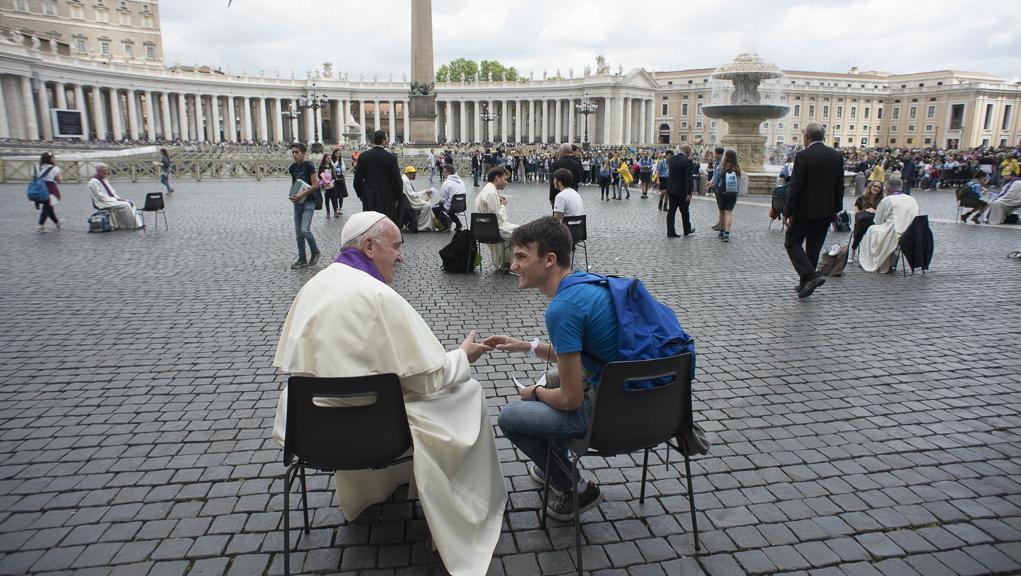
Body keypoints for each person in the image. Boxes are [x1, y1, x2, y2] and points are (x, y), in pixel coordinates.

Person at [272, 212, 506, 576]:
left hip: (314, 434)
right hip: (381, 434)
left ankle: (375, 488)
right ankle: (469, 507)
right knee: (469, 392)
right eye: (396, 247)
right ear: (369, 246)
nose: (402, 256)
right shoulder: (378, 294)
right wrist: (464, 355)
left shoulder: (312, 287)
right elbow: (430, 379)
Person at [486, 217, 617, 521]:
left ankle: (576, 487)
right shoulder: (591, 284)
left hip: (612, 418)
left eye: (521, 256)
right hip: (652, 404)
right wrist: (526, 346)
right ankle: (553, 465)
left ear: (549, 260)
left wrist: (536, 392)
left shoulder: (562, 308)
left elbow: (571, 401)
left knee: (511, 416)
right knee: (554, 379)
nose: (513, 265)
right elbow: (580, 356)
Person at [783, 123, 844, 298]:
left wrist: (787, 211)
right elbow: (839, 186)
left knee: (792, 242)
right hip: (826, 211)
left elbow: (796, 186)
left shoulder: (803, 156)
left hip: (805, 210)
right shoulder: (836, 156)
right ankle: (805, 283)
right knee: (814, 247)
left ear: (807, 137)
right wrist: (836, 210)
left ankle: (810, 276)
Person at [858, 178, 920, 272]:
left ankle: (871, 260)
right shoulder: (912, 199)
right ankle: (891, 262)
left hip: (893, 232)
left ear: (888, 188)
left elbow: (878, 221)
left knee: (872, 229)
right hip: (911, 233)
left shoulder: (887, 200)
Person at [473, 167, 518, 271]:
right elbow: (496, 218)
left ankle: (506, 262)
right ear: (497, 178)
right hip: (490, 230)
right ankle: (514, 266)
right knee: (521, 232)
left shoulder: (486, 190)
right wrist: (502, 205)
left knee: (518, 229)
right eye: (505, 179)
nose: (506, 182)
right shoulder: (491, 193)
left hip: (481, 228)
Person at [353, 130, 402, 222]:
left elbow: (357, 180)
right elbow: (398, 181)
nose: (387, 141)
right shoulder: (391, 157)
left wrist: (362, 195)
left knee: (370, 224)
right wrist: (395, 198)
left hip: (369, 196)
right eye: (386, 139)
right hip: (387, 197)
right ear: (383, 141)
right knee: (385, 224)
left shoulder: (363, 156)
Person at [287, 143, 321, 269]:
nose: (294, 155)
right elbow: (294, 184)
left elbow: (315, 185)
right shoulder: (292, 167)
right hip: (298, 202)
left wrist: (302, 195)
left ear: (303, 153)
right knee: (298, 233)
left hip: (309, 201)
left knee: (304, 230)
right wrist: (292, 195)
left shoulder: (309, 166)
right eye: (293, 152)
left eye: (297, 152)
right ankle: (302, 258)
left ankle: (315, 251)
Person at [88, 163, 143, 230]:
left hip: (110, 199)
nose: (106, 172)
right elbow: (101, 196)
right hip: (103, 202)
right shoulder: (93, 182)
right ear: (98, 171)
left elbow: (112, 192)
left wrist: (119, 198)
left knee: (131, 202)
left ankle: (136, 224)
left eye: (106, 170)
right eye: (103, 171)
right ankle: (130, 225)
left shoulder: (104, 179)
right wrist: (117, 200)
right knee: (125, 205)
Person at [711, 149, 741, 242]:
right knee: (729, 212)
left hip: (722, 192)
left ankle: (722, 231)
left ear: (726, 156)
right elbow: (739, 182)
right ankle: (727, 234)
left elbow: (716, 180)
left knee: (722, 211)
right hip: (732, 193)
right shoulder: (737, 168)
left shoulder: (721, 167)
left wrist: (714, 188)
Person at [666, 146, 696, 238]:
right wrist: (689, 193)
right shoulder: (687, 161)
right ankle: (687, 230)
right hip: (682, 192)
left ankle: (670, 232)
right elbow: (688, 179)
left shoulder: (672, 159)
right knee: (685, 212)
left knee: (671, 211)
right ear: (688, 151)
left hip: (671, 189)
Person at [398, 165, 434, 232]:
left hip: (409, 200)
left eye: (414, 173)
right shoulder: (405, 181)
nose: (415, 175)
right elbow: (412, 195)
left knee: (427, 203)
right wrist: (425, 191)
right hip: (409, 202)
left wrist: (423, 197)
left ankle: (424, 224)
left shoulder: (406, 180)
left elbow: (412, 194)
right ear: (408, 174)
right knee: (427, 205)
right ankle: (421, 226)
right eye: (413, 173)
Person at [33, 152, 61, 233]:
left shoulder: (36, 167)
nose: (55, 159)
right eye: (53, 158)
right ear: (50, 159)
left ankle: (57, 222)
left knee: (49, 207)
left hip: (38, 190)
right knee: (47, 206)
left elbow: (34, 178)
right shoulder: (54, 168)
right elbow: (59, 180)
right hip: (50, 189)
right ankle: (40, 225)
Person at [549, 143, 584, 208]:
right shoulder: (576, 164)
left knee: (558, 215)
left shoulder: (555, 164)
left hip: (558, 193)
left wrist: (551, 198)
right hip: (573, 193)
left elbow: (552, 182)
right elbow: (580, 178)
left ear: (562, 152)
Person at [433, 164, 465, 232]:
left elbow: (442, 199)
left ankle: (446, 225)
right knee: (450, 209)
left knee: (435, 208)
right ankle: (458, 224)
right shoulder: (461, 181)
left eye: (443, 172)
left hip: (451, 206)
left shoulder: (447, 183)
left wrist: (436, 204)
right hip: (461, 205)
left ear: (447, 172)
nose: (443, 174)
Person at [708, 147, 725, 230]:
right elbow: (715, 174)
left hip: (720, 187)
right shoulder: (717, 162)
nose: (714, 155)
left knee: (722, 207)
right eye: (714, 153)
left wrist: (713, 182)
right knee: (720, 207)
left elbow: (718, 175)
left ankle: (722, 224)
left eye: (716, 154)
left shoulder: (723, 163)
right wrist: (711, 181)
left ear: (721, 154)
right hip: (716, 186)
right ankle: (720, 223)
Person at [318, 153, 339, 219]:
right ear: (325, 159)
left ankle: (335, 212)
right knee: (327, 199)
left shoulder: (331, 166)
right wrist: (324, 179)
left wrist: (332, 180)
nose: (329, 159)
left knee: (334, 199)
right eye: (328, 158)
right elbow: (319, 175)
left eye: (330, 158)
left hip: (332, 185)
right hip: (325, 185)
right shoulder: (322, 166)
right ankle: (328, 213)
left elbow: (334, 175)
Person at [330, 148, 348, 216]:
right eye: (337, 153)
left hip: (341, 178)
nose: (338, 154)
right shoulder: (331, 160)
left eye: (339, 153)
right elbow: (334, 167)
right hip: (335, 178)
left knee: (341, 194)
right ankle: (336, 208)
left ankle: (340, 207)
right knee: (335, 194)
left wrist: (340, 162)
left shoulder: (341, 160)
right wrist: (337, 161)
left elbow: (343, 168)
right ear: (334, 153)